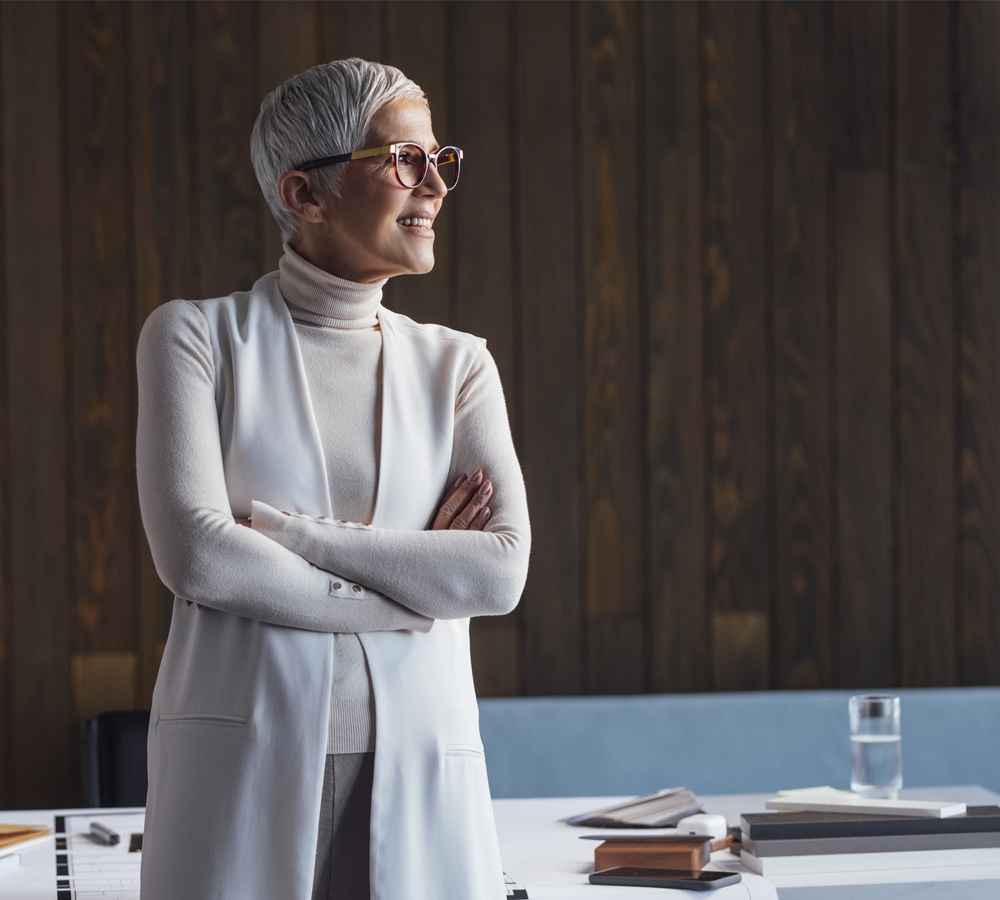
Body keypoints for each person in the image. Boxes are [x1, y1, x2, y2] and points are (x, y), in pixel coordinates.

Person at [136, 58, 530, 900]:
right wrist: (418, 586)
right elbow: (200, 559)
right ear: (304, 195)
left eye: (439, 160)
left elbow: (497, 574)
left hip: (424, 756)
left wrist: (299, 537)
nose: (433, 186)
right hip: (240, 759)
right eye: (402, 161)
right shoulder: (194, 340)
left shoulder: (458, 366)